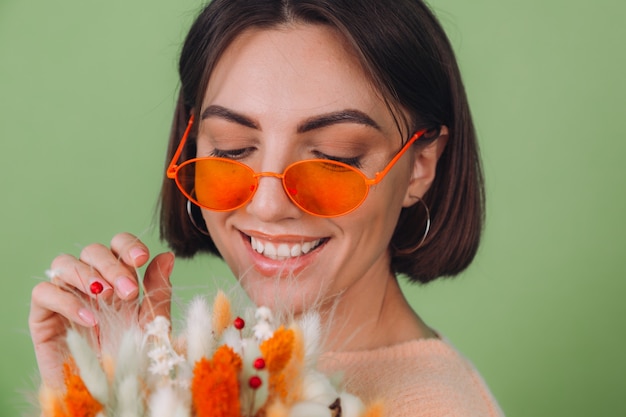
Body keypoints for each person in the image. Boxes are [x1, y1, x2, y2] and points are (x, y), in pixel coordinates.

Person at [29, 0, 503, 415]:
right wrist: (104, 394)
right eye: (233, 149)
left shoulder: (432, 407)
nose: (269, 204)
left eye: (336, 155)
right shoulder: (189, 374)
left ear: (420, 166)